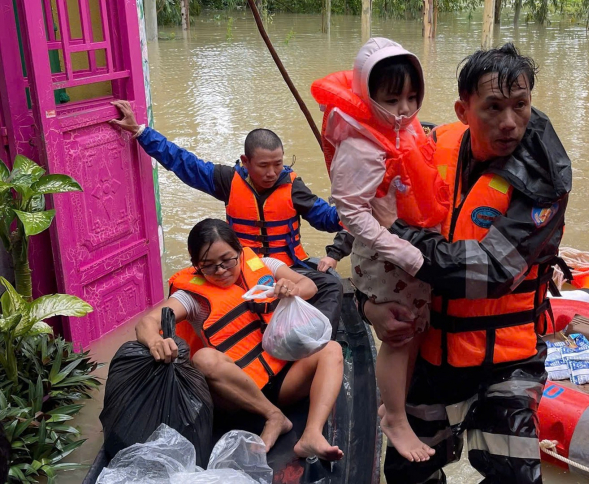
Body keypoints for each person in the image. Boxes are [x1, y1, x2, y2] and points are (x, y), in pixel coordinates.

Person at [364, 43, 572, 484]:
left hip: (506, 358)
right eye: (493, 107)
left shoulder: (545, 182)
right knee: (407, 474)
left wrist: (399, 233)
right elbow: (365, 229)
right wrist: (369, 305)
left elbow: (488, 273)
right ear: (463, 110)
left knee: (515, 476)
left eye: (520, 105)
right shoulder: (430, 145)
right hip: (430, 349)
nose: (509, 122)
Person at [311, 37, 449, 463]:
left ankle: (393, 407)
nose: (404, 109)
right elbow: (350, 211)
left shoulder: (404, 130)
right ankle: (396, 419)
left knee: (415, 328)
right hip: (388, 255)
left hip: (410, 247)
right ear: (367, 96)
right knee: (400, 335)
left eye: (411, 97)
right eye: (392, 99)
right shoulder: (360, 144)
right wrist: (400, 250)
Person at [110, 100, 346, 329]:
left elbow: (326, 219)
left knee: (331, 285)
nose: (272, 173)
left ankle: (317, 337)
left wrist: (349, 211)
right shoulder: (227, 180)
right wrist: (141, 132)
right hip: (240, 267)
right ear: (246, 162)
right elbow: (184, 163)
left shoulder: (294, 188)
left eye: (278, 164)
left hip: (286, 267)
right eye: (263, 165)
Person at [134, 218, 344, 460]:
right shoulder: (190, 298)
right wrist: (155, 342)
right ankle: (274, 416)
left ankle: (311, 435)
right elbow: (147, 323)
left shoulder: (265, 265)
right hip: (238, 394)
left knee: (331, 349)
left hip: (284, 378)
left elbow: (310, 286)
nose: (220, 270)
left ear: (239, 251)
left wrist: (292, 289)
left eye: (227, 260)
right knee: (203, 358)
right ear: (196, 266)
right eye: (209, 266)